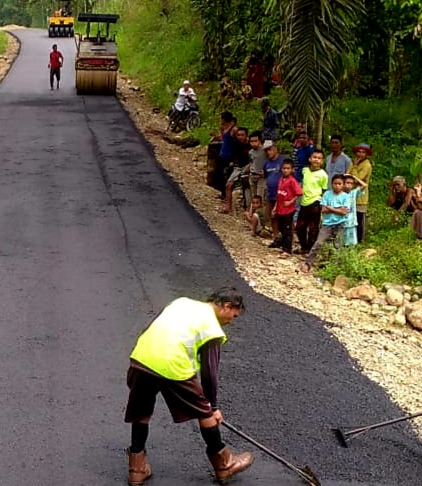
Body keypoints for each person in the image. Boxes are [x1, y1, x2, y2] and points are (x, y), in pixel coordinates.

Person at [124, 288, 254, 485]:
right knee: (205, 413)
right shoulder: (212, 329)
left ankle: (137, 470)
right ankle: (225, 465)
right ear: (227, 306)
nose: (231, 321)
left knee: (142, 413)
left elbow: (153, 327)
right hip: (172, 365)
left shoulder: (181, 303)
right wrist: (213, 406)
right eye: (233, 316)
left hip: (142, 357)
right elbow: (210, 373)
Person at [302, 174, 350, 272]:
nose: (337, 186)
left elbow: (344, 212)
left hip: (340, 224)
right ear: (332, 184)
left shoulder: (346, 196)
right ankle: (308, 264)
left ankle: (333, 268)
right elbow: (323, 210)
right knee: (319, 243)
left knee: (337, 246)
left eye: (339, 184)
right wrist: (337, 209)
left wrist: (330, 208)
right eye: (335, 183)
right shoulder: (327, 194)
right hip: (327, 224)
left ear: (343, 185)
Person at [295, 149, 328, 255]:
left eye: (319, 158)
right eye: (314, 157)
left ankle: (310, 250)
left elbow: (324, 190)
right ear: (310, 159)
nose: (316, 160)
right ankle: (304, 247)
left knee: (313, 228)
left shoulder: (323, 174)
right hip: (304, 202)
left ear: (322, 161)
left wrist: (322, 204)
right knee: (300, 227)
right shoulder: (305, 170)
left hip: (315, 202)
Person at [273, 160, 303, 254]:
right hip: (280, 208)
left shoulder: (292, 181)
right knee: (281, 228)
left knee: (287, 230)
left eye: (288, 169)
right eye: (284, 168)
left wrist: (291, 201)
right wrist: (275, 207)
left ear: (292, 170)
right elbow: (279, 195)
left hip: (288, 210)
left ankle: (287, 249)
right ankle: (282, 244)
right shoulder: (281, 179)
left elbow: (299, 192)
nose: (285, 170)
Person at [221, 127, 251, 213]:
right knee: (228, 185)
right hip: (238, 167)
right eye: (238, 135)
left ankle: (249, 209)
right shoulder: (236, 144)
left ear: (246, 135)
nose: (240, 137)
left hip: (249, 167)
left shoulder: (250, 145)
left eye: (242, 135)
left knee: (247, 188)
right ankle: (228, 206)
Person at [263, 141, 286, 245]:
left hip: (282, 193)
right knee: (273, 215)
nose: (268, 152)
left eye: (270, 149)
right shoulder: (266, 163)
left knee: (283, 215)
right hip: (271, 193)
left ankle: (286, 237)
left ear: (275, 148)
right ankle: (275, 235)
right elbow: (266, 175)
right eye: (266, 150)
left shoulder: (283, 160)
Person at [349, 143, 372, 242]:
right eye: (359, 151)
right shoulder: (354, 163)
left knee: (359, 220)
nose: (360, 154)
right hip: (351, 194)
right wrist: (353, 166)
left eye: (363, 152)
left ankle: (360, 241)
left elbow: (359, 178)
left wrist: (354, 168)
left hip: (361, 196)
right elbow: (347, 174)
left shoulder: (367, 165)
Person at [343, 174, 366, 247]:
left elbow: (364, 185)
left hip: (352, 220)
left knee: (351, 240)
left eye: (351, 183)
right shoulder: (340, 193)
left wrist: (354, 177)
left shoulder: (353, 192)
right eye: (347, 183)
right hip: (342, 221)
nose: (349, 185)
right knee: (342, 240)